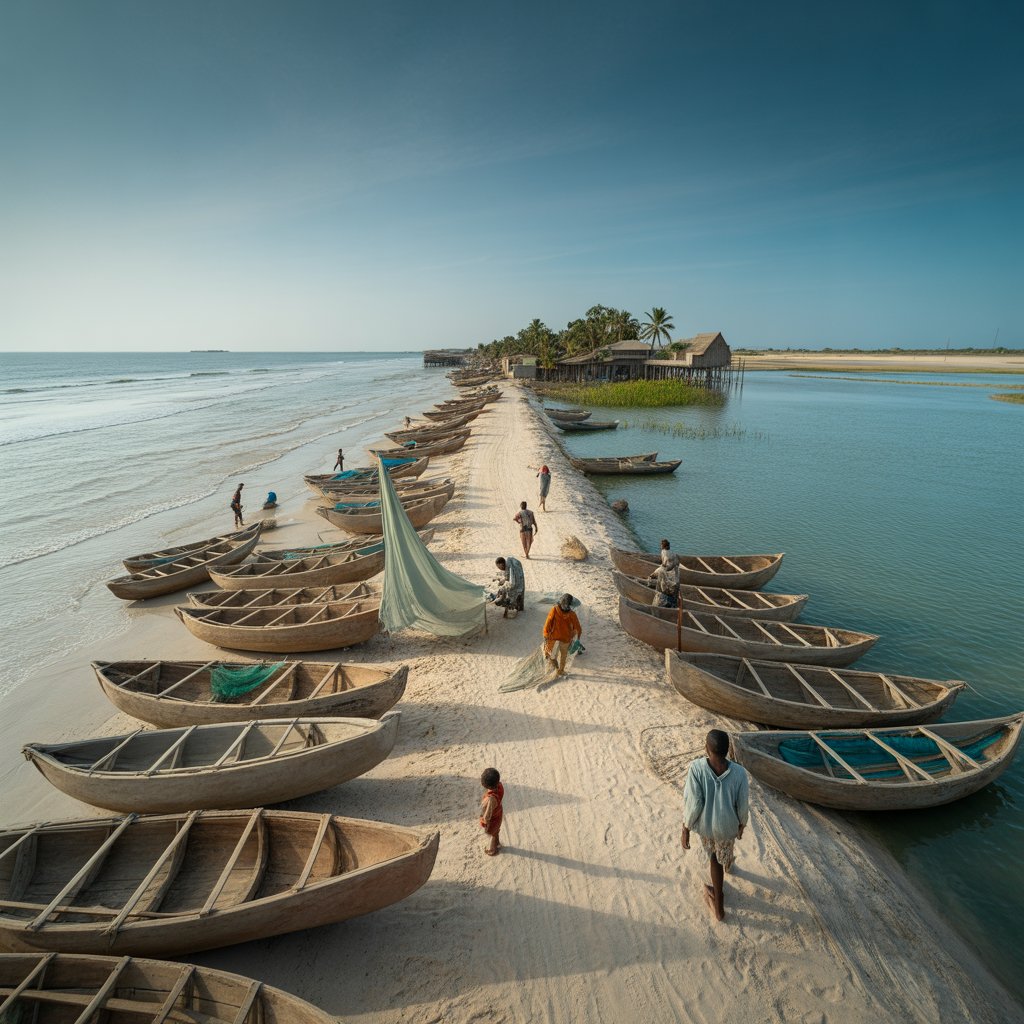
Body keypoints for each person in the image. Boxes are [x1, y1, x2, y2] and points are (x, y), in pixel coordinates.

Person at [681, 729, 750, 923]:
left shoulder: (696, 768)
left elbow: (694, 804)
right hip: (728, 826)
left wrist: (685, 828)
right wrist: (742, 824)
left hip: (707, 826)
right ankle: (725, 863)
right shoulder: (739, 773)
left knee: (714, 858)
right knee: (724, 850)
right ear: (727, 751)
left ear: (706, 748)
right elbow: (742, 804)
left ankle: (719, 908)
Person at [542, 593, 582, 677]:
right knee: (563, 657)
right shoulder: (572, 614)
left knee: (552, 655)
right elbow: (578, 628)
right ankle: (561, 670)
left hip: (554, 638)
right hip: (566, 639)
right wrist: (577, 638)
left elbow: (548, 623)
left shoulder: (554, 610)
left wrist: (545, 634)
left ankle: (555, 668)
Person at [479, 767, 504, 856]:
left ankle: (492, 850)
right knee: (496, 831)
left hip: (493, 820)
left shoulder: (490, 799)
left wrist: (483, 821)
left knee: (492, 834)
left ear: (485, 785)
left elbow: (487, 814)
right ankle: (497, 843)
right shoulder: (500, 786)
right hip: (499, 815)